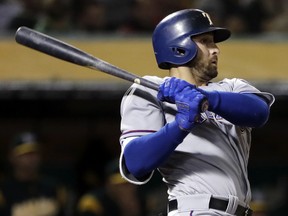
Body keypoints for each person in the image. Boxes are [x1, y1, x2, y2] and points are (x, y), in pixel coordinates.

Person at [118, 9, 275, 216]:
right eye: (206, 41)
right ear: (179, 48)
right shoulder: (149, 90)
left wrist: (204, 98)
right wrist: (180, 125)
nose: (216, 49)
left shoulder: (232, 87)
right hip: (194, 208)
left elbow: (258, 112)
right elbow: (136, 163)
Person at [0, 132, 68, 216]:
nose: (31, 158)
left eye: (34, 153)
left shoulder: (54, 187)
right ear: (11, 157)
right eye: (25, 154)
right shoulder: (4, 190)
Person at [77, 158, 145, 216]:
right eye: (120, 185)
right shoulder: (92, 202)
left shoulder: (142, 200)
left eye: (129, 184)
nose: (126, 189)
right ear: (108, 185)